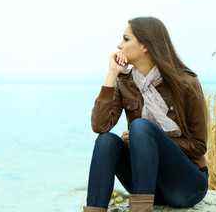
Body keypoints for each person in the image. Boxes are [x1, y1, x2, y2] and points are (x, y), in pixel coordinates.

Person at [83, 17, 208, 212]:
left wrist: (149, 139)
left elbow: (199, 147)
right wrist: (112, 74)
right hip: (148, 185)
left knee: (140, 127)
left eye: (126, 39)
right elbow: (100, 126)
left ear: (145, 46)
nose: (119, 45)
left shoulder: (186, 82)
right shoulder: (125, 82)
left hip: (185, 186)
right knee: (106, 141)